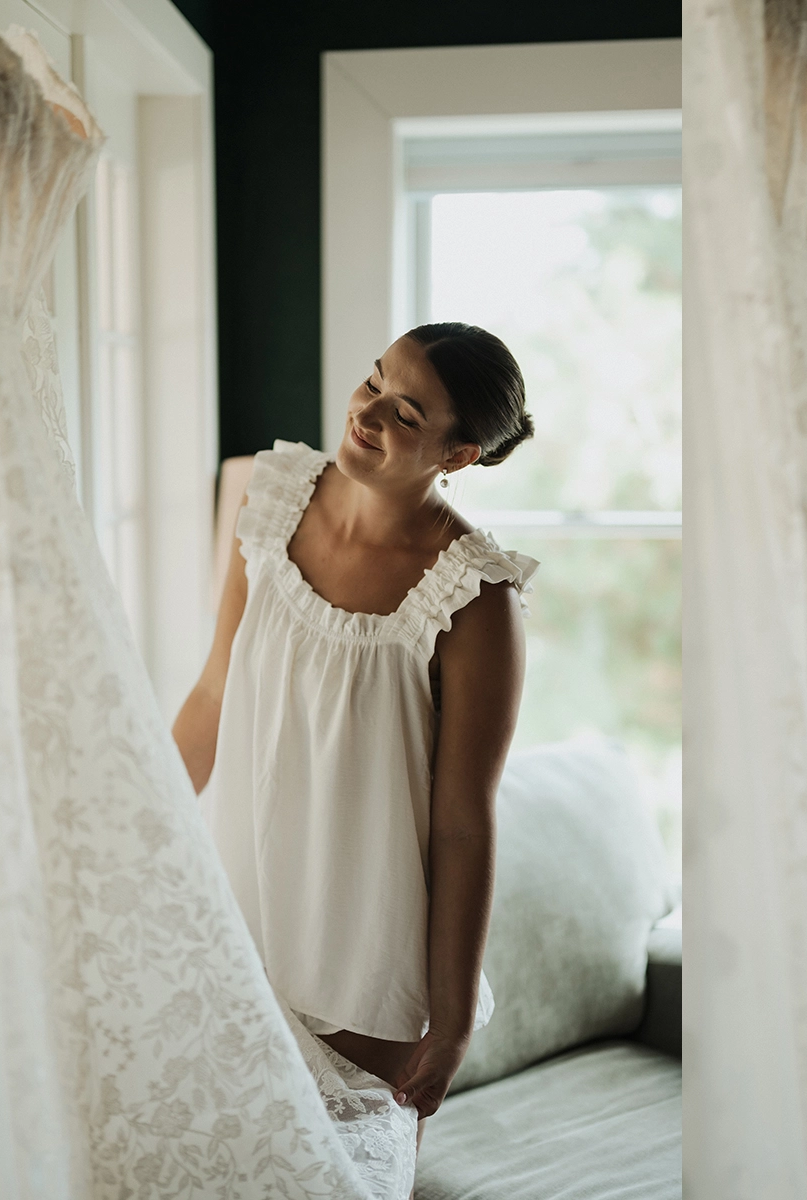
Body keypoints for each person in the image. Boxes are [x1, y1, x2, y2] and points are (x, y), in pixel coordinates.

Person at [173, 321, 538, 1139]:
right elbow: (212, 696)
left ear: (458, 455)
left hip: (366, 952)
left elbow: (462, 823)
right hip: (237, 909)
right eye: (374, 381)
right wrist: (127, 840)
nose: (367, 414)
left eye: (406, 415)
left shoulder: (475, 596)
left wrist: (450, 1021)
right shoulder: (269, 498)